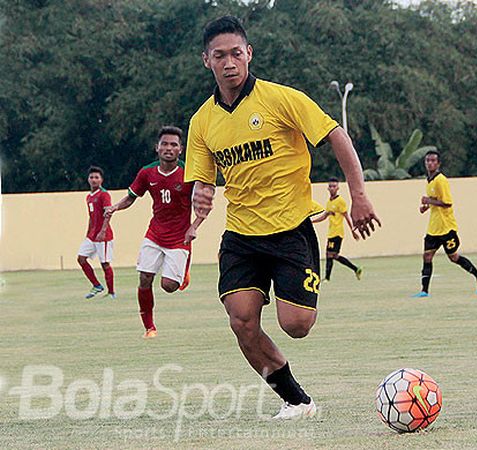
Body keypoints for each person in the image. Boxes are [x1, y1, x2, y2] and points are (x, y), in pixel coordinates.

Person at [184, 16, 380, 420]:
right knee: (242, 322)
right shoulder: (201, 122)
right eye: (219, 56)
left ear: (249, 53)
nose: (229, 63)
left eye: (236, 53)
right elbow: (203, 182)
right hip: (240, 235)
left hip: (291, 230)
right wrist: (197, 210)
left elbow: (336, 136)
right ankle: (296, 401)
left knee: (296, 325)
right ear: (206, 61)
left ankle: (298, 333)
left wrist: (358, 195)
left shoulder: (281, 99)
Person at [104, 126, 201, 339]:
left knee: (168, 286)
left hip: (179, 238)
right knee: (145, 278)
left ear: (180, 149)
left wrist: (195, 225)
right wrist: (115, 207)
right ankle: (149, 327)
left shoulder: (189, 173)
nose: (168, 148)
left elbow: (203, 201)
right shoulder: (147, 172)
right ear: (157, 148)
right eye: (164, 144)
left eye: (173, 144)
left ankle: (182, 272)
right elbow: (132, 196)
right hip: (154, 235)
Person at [413, 150, 477, 298]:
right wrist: (426, 207)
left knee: (453, 257)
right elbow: (435, 200)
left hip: (446, 227)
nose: (430, 163)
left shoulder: (441, 180)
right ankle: (424, 291)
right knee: (427, 256)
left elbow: (447, 203)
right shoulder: (429, 180)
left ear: (438, 164)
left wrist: (428, 201)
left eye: (433, 160)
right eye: (428, 160)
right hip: (434, 227)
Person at [311, 178, 362, 281]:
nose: (332, 188)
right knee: (333, 255)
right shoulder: (329, 202)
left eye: (334, 186)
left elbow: (346, 216)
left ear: (338, 188)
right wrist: (311, 221)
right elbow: (325, 216)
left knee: (330, 254)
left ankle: (327, 278)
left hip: (337, 233)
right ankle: (355, 269)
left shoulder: (340, 201)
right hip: (331, 232)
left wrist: (353, 231)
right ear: (327, 188)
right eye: (330, 186)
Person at [77, 166, 115, 300]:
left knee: (105, 264)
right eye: (91, 177)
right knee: (81, 258)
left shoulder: (104, 194)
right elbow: (91, 216)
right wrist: (88, 233)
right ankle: (97, 285)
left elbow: (108, 213)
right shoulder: (89, 197)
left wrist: (103, 230)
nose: (94, 180)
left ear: (101, 180)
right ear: (88, 179)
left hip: (104, 236)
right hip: (92, 236)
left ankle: (111, 293)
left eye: (96, 177)